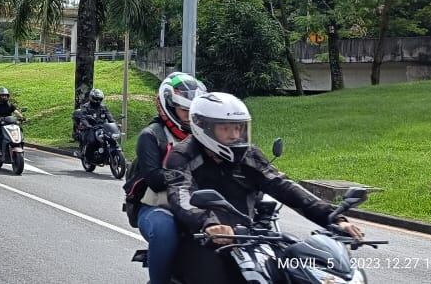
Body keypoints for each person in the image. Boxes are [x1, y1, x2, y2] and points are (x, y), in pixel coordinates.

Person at [164, 92, 364, 284]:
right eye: (225, 128)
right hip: (202, 238)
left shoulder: (249, 155)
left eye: (238, 128)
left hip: (251, 236)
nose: (234, 135)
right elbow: (181, 194)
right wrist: (208, 223)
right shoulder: (183, 155)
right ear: (203, 127)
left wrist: (334, 218)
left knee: (290, 269)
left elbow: (283, 186)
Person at [122, 72, 206, 284]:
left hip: (199, 205)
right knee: (164, 230)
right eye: (185, 111)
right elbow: (155, 180)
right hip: (157, 207)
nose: (190, 116)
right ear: (169, 107)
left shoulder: (206, 135)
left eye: (194, 111)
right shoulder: (152, 136)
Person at [72, 88, 115, 157]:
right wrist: (87, 124)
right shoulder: (85, 107)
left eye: (99, 99)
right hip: (90, 127)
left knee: (110, 138)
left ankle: (105, 152)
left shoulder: (103, 107)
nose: (98, 101)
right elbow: (83, 117)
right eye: (96, 99)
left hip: (102, 127)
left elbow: (109, 115)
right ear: (91, 97)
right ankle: (83, 153)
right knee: (92, 141)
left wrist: (113, 123)